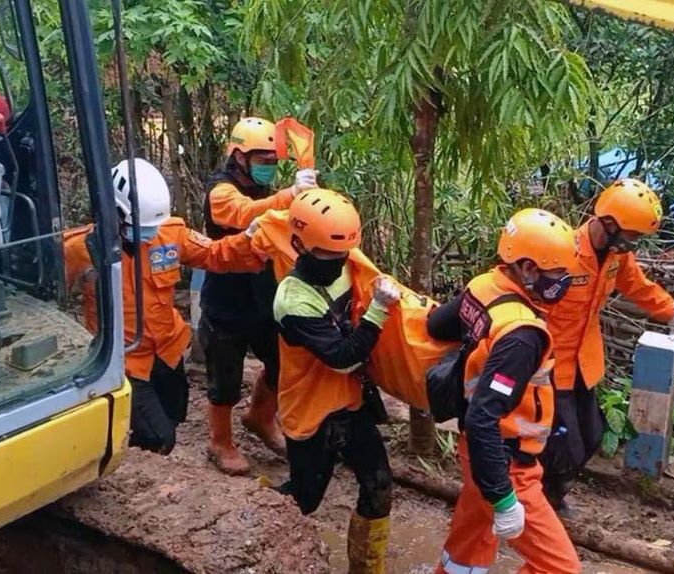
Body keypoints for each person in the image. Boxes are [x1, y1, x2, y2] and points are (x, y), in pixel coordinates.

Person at [64, 158, 265, 454]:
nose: (149, 234)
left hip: (167, 351)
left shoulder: (170, 233)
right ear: (115, 213)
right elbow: (49, 299)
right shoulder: (79, 249)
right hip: (126, 361)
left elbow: (214, 254)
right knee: (160, 436)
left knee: (174, 415)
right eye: (141, 227)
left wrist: (248, 240)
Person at [428, 208, 582, 573]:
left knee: (467, 551)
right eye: (558, 273)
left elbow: (437, 324)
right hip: (505, 460)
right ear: (528, 268)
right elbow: (485, 418)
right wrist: (502, 496)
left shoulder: (486, 285)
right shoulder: (523, 337)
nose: (563, 281)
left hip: (475, 453)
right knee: (561, 568)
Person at [541, 178, 674, 515]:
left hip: (584, 361)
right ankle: (544, 498)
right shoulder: (561, 252)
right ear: (609, 224)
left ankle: (551, 491)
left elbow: (637, 285)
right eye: (633, 236)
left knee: (593, 435)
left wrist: (670, 312)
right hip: (548, 364)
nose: (634, 244)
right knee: (563, 443)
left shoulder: (615, 256)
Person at [271, 188, 399, 573]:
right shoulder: (292, 301)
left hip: (349, 405)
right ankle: (258, 529)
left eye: (340, 254)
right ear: (299, 245)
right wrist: (379, 310)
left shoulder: (346, 264)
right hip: (311, 414)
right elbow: (343, 358)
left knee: (379, 485)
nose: (336, 262)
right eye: (325, 254)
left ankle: (366, 568)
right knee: (304, 499)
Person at [199, 116, 318, 475]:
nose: (269, 167)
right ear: (239, 156)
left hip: (263, 294)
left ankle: (260, 417)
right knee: (225, 377)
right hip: (226, 296)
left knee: (282, 363)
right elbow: (242, 213)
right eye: (263, 160)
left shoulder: (261, 189)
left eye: (273, 162)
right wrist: (288, 196)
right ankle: (220, 442)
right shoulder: (220, 191)